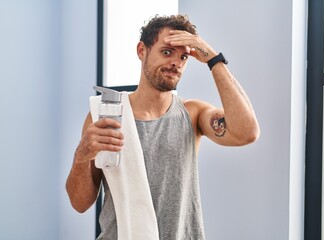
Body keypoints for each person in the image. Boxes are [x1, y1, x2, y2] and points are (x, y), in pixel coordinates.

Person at [66, 14, 260, 239]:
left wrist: (213, 59)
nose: (176, 63)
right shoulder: (106, 116)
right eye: (167, 52)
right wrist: (81, 156)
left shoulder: (193, 114)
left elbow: (247, 132)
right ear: (142, 51)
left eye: (184, 57)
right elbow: (80, 204)